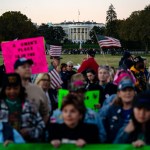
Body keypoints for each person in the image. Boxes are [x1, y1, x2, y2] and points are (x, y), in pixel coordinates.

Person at [0, 73, 45, 142]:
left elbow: (41, 125)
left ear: (20, 88)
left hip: (25, 145)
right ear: (3, 90)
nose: (12, 91)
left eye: (15, 88)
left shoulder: (29, 105)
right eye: (8, 88)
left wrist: (30, 132)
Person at [14, 57, 49, 124]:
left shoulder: (38, 90)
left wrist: (37, 130)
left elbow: (45, 114)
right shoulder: (7, 90)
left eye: (29, 66)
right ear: (16, 70)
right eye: (24, 67)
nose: (28, 69)